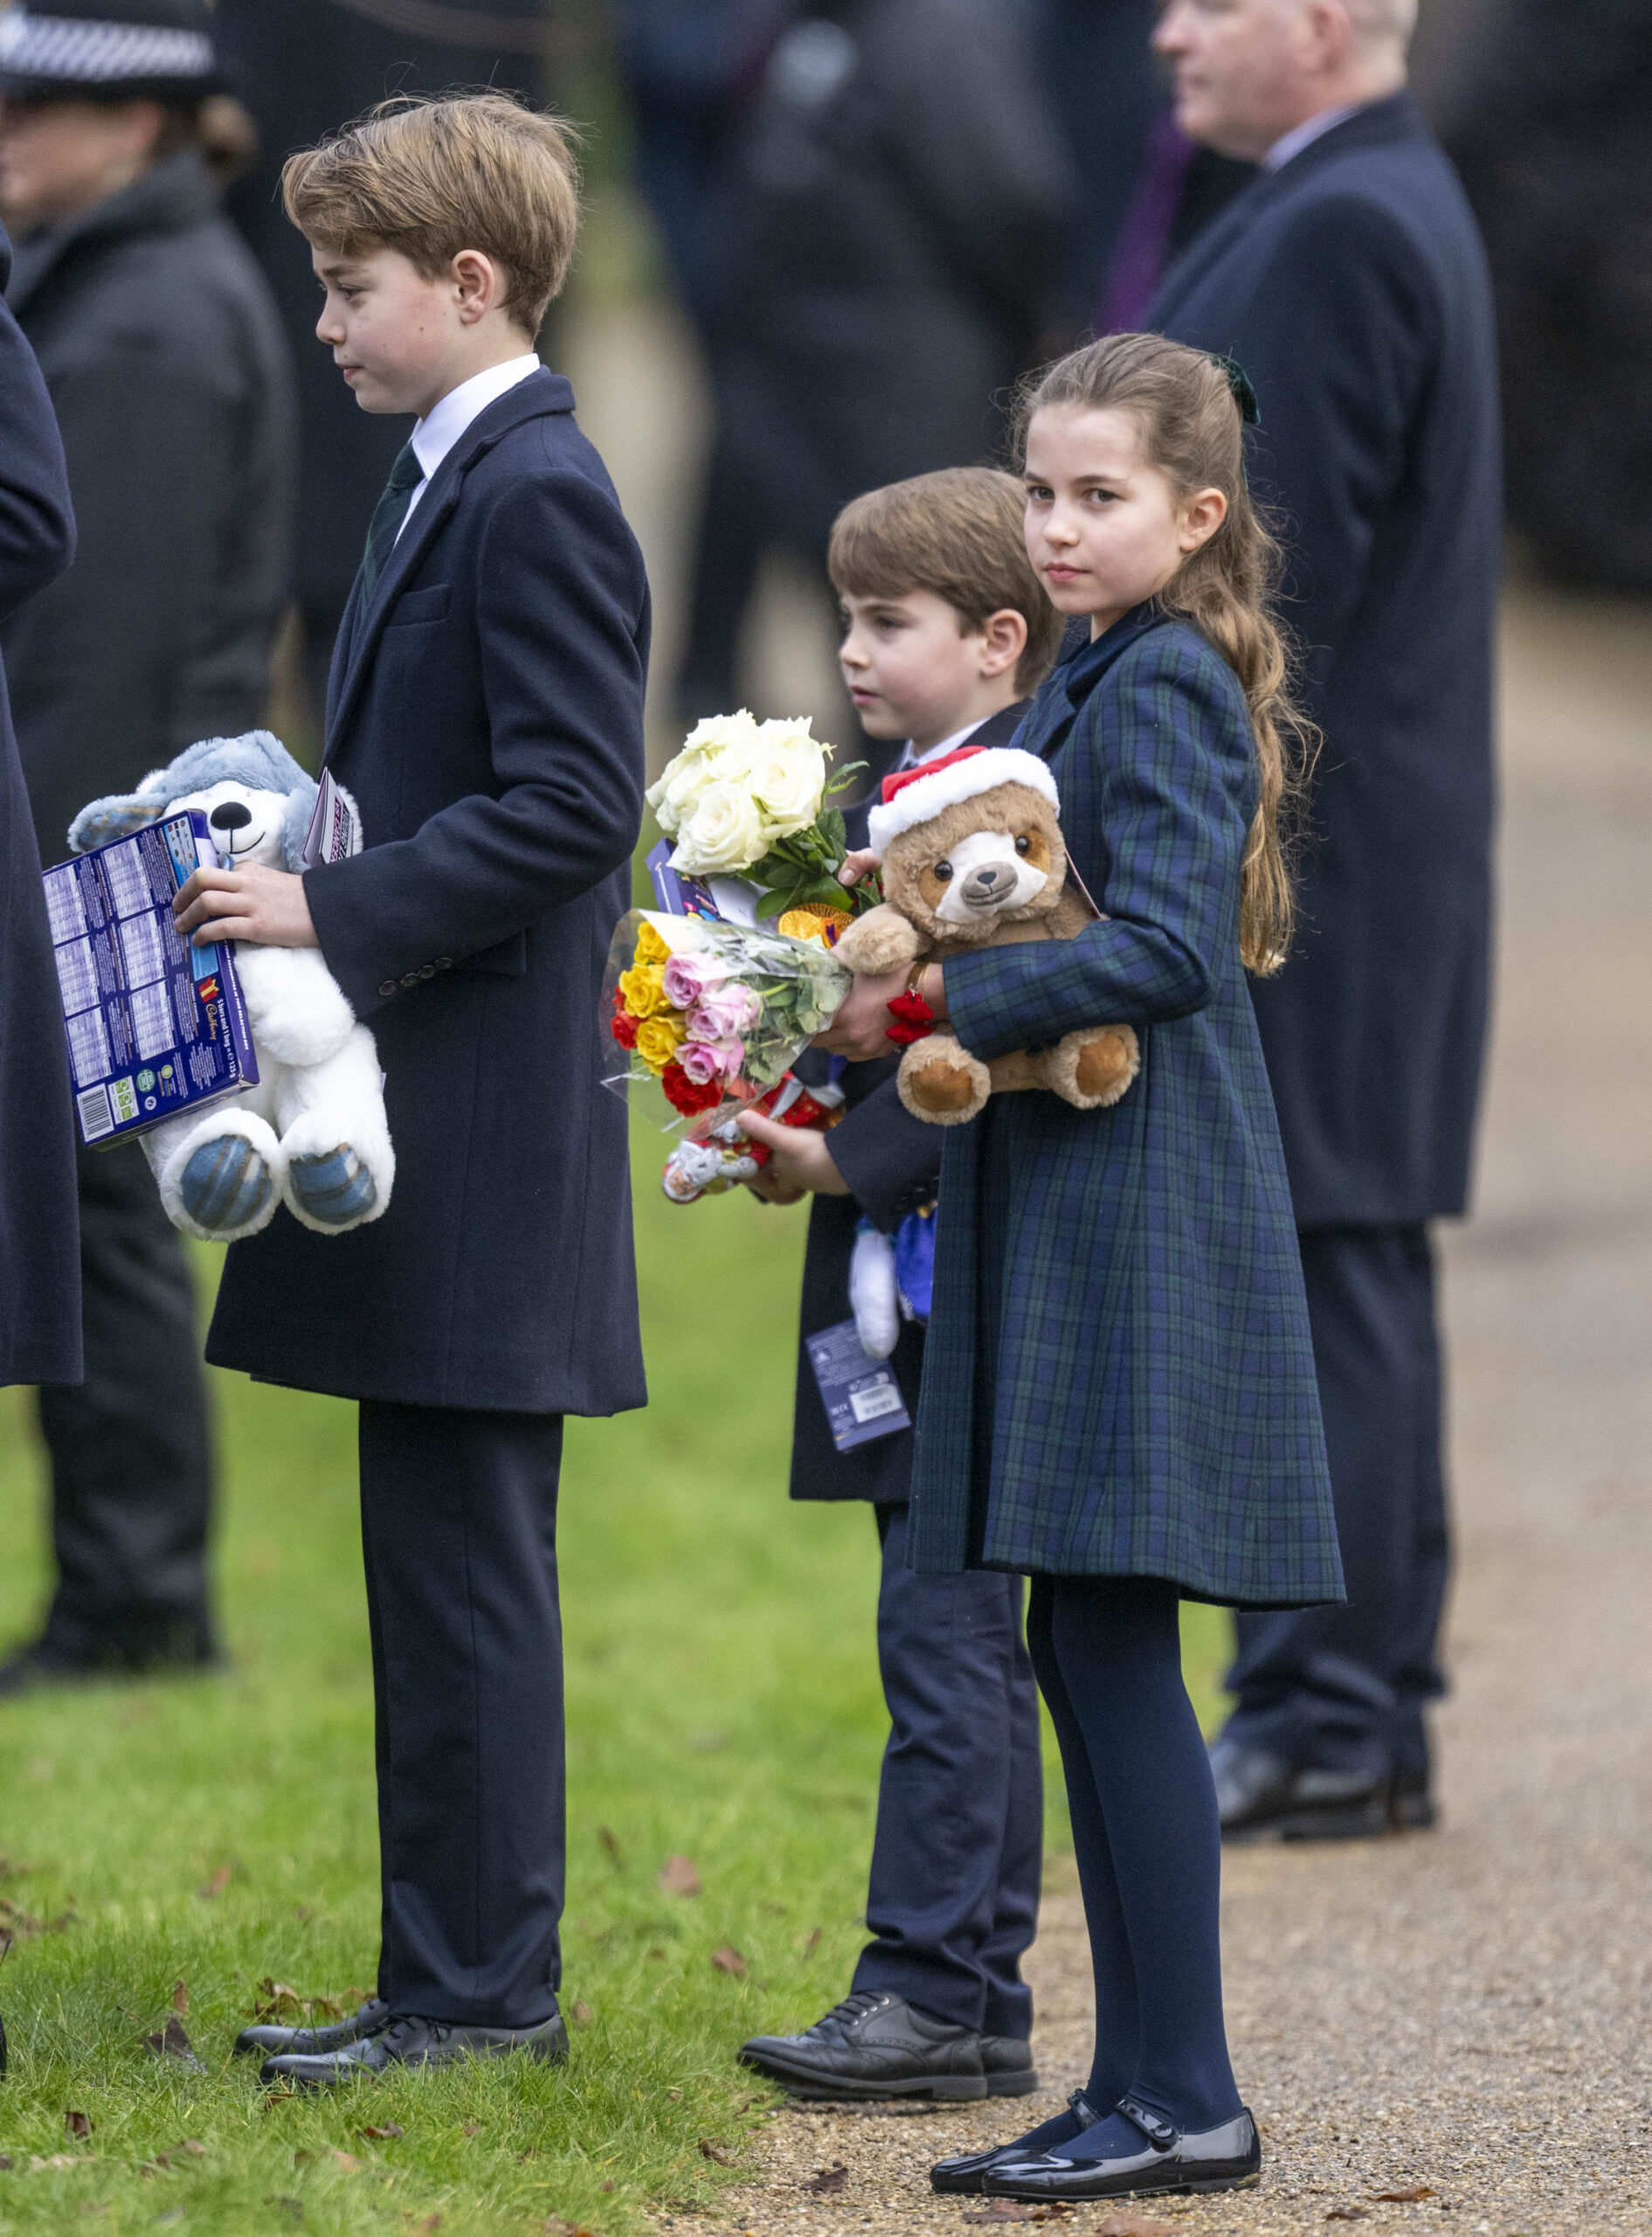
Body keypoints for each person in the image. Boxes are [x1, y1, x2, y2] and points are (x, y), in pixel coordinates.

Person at [819, 334, 1341, 2204]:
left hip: (1144, 1204)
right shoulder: (1104, 674)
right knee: (1080, 1632)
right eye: (1039, 489)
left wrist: (949, 992)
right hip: (1075, 1190)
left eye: (1097, 494)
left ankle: (1186, 2088)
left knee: (1113, 1641)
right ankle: (1128, 2080)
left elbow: (1173, 953)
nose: (1054, 524)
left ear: (1196, 516)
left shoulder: (1171, 684)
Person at [170, 93, 649, 2083]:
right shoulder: (444, 469)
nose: (328, 324)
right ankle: (438, 1972)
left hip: (479, 1101)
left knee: (466, 1572)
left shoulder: (538, 486)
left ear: (471, 283)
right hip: (420, 1085)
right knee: (425, 1559)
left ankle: (482, 1995)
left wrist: (325, 899)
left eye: (351, 287)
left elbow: (570, 800)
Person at [1148, 0, 1500, 1838]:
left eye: (1209, 3)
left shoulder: (1344, 217)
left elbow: (1271, 574)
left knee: (1332, 1244)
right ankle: (1346, 1694)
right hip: (1359, 834)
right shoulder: (1352, 189)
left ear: (1327, 18)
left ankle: (1335, 1705)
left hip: (1322, 845)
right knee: (1344, 1246)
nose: (1167, 34)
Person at [735, 468, 1062, 2103]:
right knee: (943, 1631)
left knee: (945, 1637)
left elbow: (988, 1046)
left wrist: (844, 1158)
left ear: (998, 639)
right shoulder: (909, 789)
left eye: (887, 622)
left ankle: (937, 1988)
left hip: (955, 1275)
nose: (851, 651)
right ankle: (969, 1992)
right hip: (901, 1269)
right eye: (844, 615)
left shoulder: (998, 815)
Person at [0, 0, 294, 1694]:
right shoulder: (119, 281)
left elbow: (95, 634)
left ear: (142, 128)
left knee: (99, 1201)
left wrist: (45, 869)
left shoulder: (148, 322)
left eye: (37, 113)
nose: (8, 139)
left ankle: (135, 1597)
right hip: (99, 813)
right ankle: (120, 1586)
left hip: (98, 825)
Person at [678, 0, 1073, 726]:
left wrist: (1019, 342)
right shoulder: (812, 28)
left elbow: (1011, 206)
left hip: (900, 404)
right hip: (787, 389)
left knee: (911, 660)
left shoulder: (941, 38)